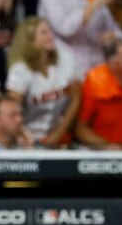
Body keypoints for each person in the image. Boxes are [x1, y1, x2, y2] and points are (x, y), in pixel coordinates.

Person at [5, 17, 80, 147]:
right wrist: (26, 137)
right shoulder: (20, 70)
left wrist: (59, 133)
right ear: (30, 40)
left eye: (50, 31)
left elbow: (76, 98)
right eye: (44, 33)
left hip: (58, 135)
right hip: (26, 138)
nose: (50, 35)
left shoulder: (65, 59)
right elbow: (13, 111)